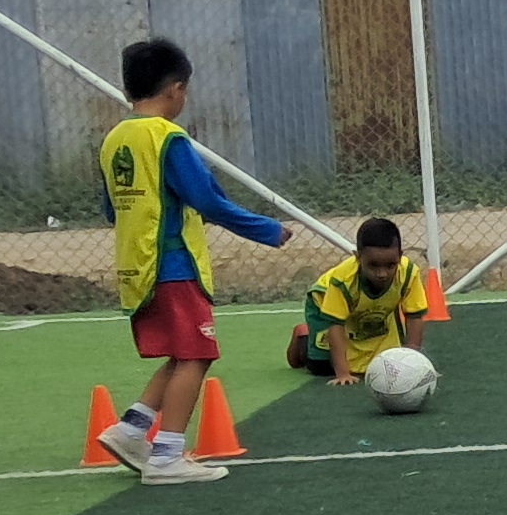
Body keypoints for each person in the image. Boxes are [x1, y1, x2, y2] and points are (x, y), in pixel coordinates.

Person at [96, 37, 288, 486]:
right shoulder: (168, 138)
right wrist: (267, 230)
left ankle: (131, 430)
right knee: (198, 355)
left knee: (182, 354)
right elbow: (208, 200)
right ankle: (167, 456)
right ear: (176, 89)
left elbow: (110, 209)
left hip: (138, 266)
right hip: (176, 265)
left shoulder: (115, 139)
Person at [292, 215, 438, 385]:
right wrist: (343, 374)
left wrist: (412, 362)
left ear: (400, 256)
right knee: (323, 367)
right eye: (373, 265)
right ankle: (303, 337)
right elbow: (335, 325)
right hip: (325, 306)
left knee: (387, 361)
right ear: (358, 257)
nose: (382, 274)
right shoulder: (342, 282)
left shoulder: (409, 274)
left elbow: (414, 316)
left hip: (371, 310)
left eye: (390, 265)